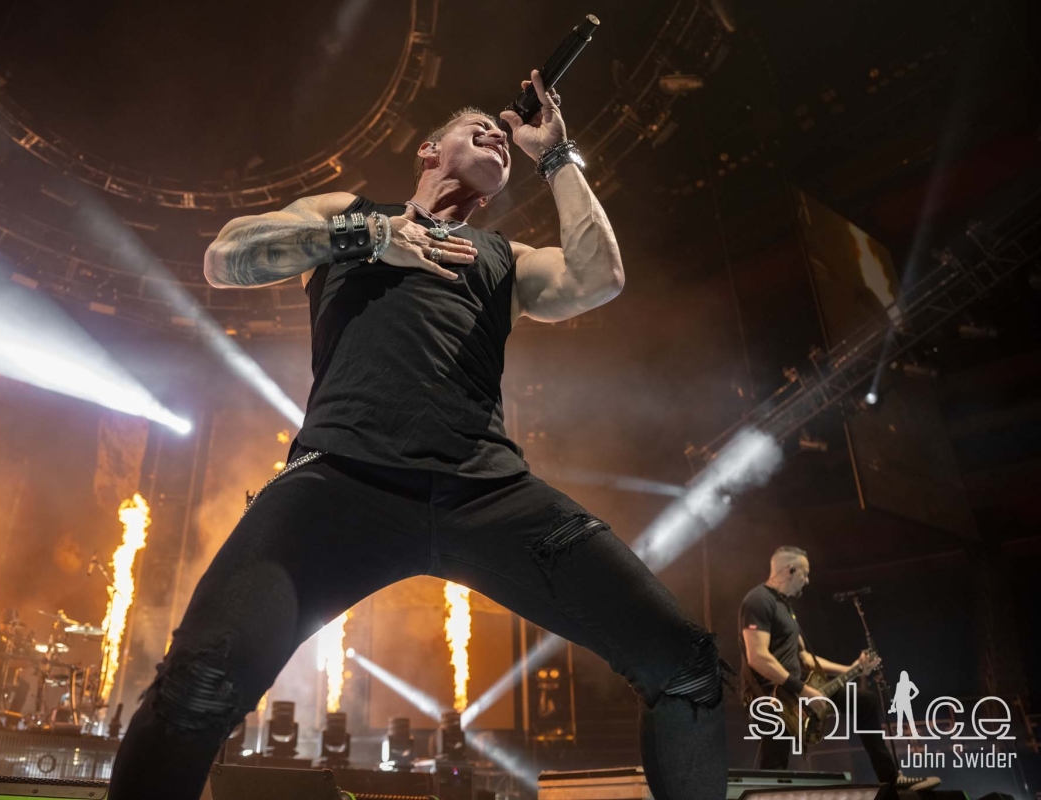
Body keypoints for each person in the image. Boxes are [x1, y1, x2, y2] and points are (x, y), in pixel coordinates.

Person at [109, 71, 726, 800]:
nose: (497, 134)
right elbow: (224, 258)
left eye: (502, 136)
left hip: (486, 491)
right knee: (198, 686)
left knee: (685, 666)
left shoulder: (505, 258)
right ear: (429, 151)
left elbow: (600, 278)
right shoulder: (349, 213)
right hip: (338, 482)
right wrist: (370, 236)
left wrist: (556, 156)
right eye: (477, 127)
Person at [739, 546, 939, 791]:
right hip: (770, 695)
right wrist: (803, 690)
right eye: (804, 573)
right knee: (775, 763)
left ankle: (891, 778)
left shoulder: (786, 608)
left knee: (865, 702)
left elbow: (804, 657)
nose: (807, 580)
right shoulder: (758, 600)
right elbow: (757, 657)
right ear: (789, 570)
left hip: (797, 690)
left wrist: (851, 668)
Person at [889, 670, 921, 737]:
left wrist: (911, 697)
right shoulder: (899, 684)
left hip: (905, 702)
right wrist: (893, 704)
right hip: (901, 702)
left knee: (908, 718)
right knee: (902, 718)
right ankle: (900, 733)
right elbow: (897, 694)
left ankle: (913, 733)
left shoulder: (909, 683)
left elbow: (917, 691)